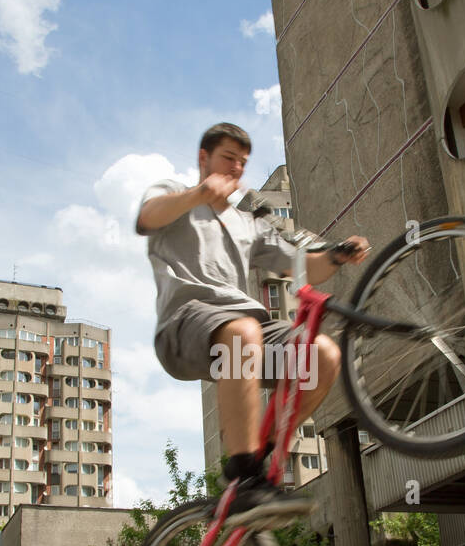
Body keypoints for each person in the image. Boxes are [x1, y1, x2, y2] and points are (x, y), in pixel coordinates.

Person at [136, 122, 369, 518]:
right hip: (184, 327)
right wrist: (198, 194)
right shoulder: (174, 194)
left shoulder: (247, 225)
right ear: (203, 158)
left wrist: (336, 256)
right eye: (228, 158)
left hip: (243, 335)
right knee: (242, 330)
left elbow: (301, 267)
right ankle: (241, 474)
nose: (236, 169)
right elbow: (147, 218)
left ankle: (260, 458)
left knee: (323, 354)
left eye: (242, 163)